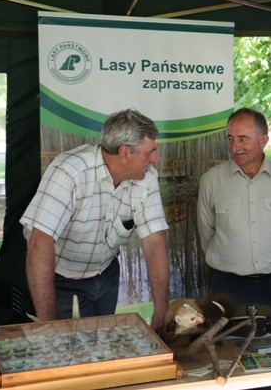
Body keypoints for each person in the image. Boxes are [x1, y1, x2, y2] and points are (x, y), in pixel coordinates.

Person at [20, 108, 170, 330]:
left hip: (107, 275)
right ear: (125, 153)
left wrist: (161, 311)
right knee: (70, 351)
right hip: (63, 280)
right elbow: (38, 243)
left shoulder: (146, 178)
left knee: (102, 345)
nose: (155, 160)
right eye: (149, 153)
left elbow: (154, 240)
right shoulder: (70, 171)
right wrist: (48, 325)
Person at [197, 107, 271, 322]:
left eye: (243, 139)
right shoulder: (211, 181)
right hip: (226, 286)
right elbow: (206, 234)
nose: (234, 147)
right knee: (225, 348)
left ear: (263, 140)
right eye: (230, 139)